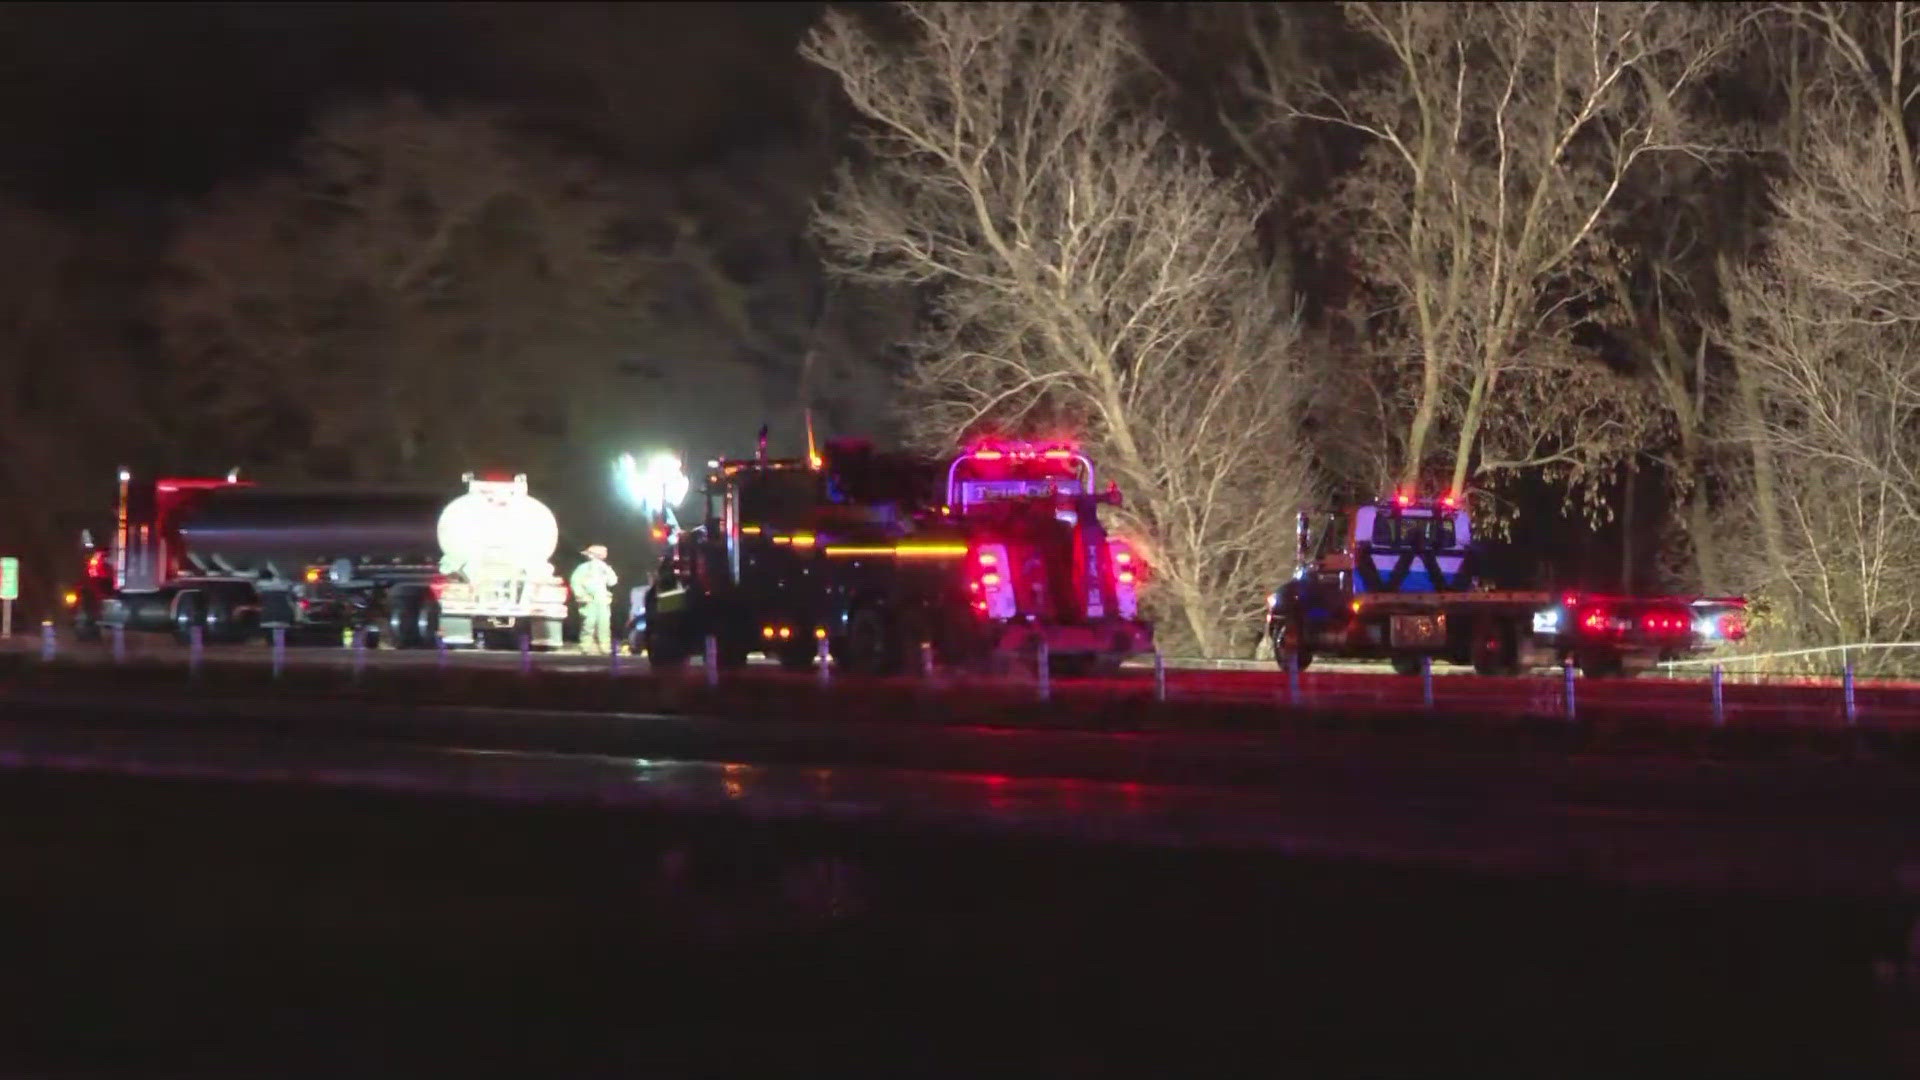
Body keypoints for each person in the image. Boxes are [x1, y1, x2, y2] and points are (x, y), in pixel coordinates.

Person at [570, 544, 618, 655]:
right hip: (589, 599)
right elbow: (575, 582)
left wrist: (607, 570)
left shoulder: (605, 568)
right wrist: (581, 595)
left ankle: (604, 647)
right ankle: (585, 646)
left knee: (604, 624)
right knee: (588, 623)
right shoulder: (583, 568)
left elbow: (612, 581)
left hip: (602, 600)